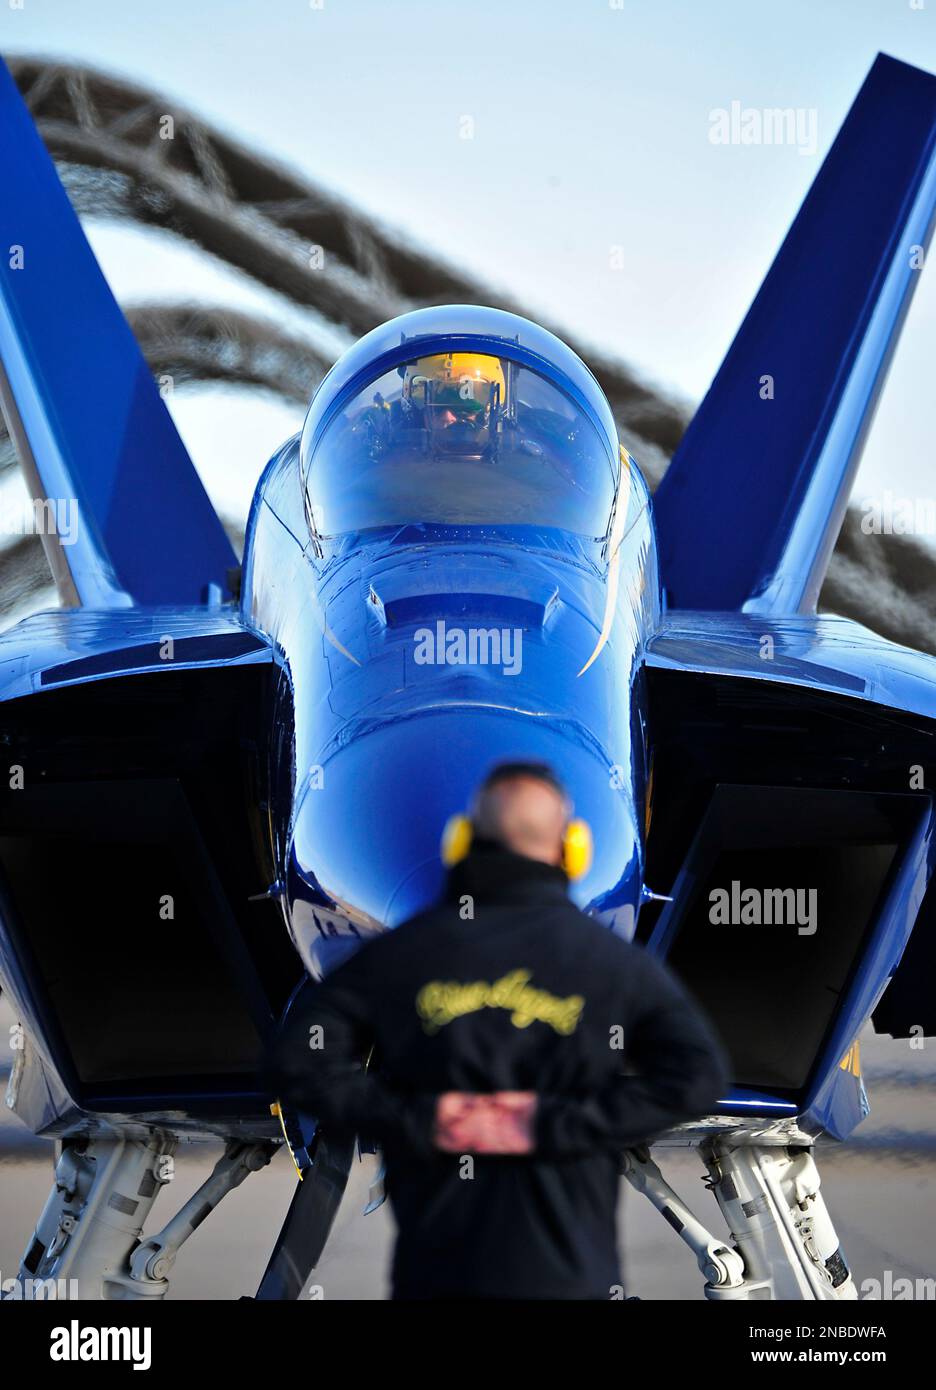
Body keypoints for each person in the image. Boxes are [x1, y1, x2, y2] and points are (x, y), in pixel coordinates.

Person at [266, 761, 729, 1300]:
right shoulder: (610, 963)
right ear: (572, 848)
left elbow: (296, 1059)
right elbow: (698, 1076)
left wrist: (424, 1120)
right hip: (570, 1282)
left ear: (461, 841)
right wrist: (551, 1124)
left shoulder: (403, 955)